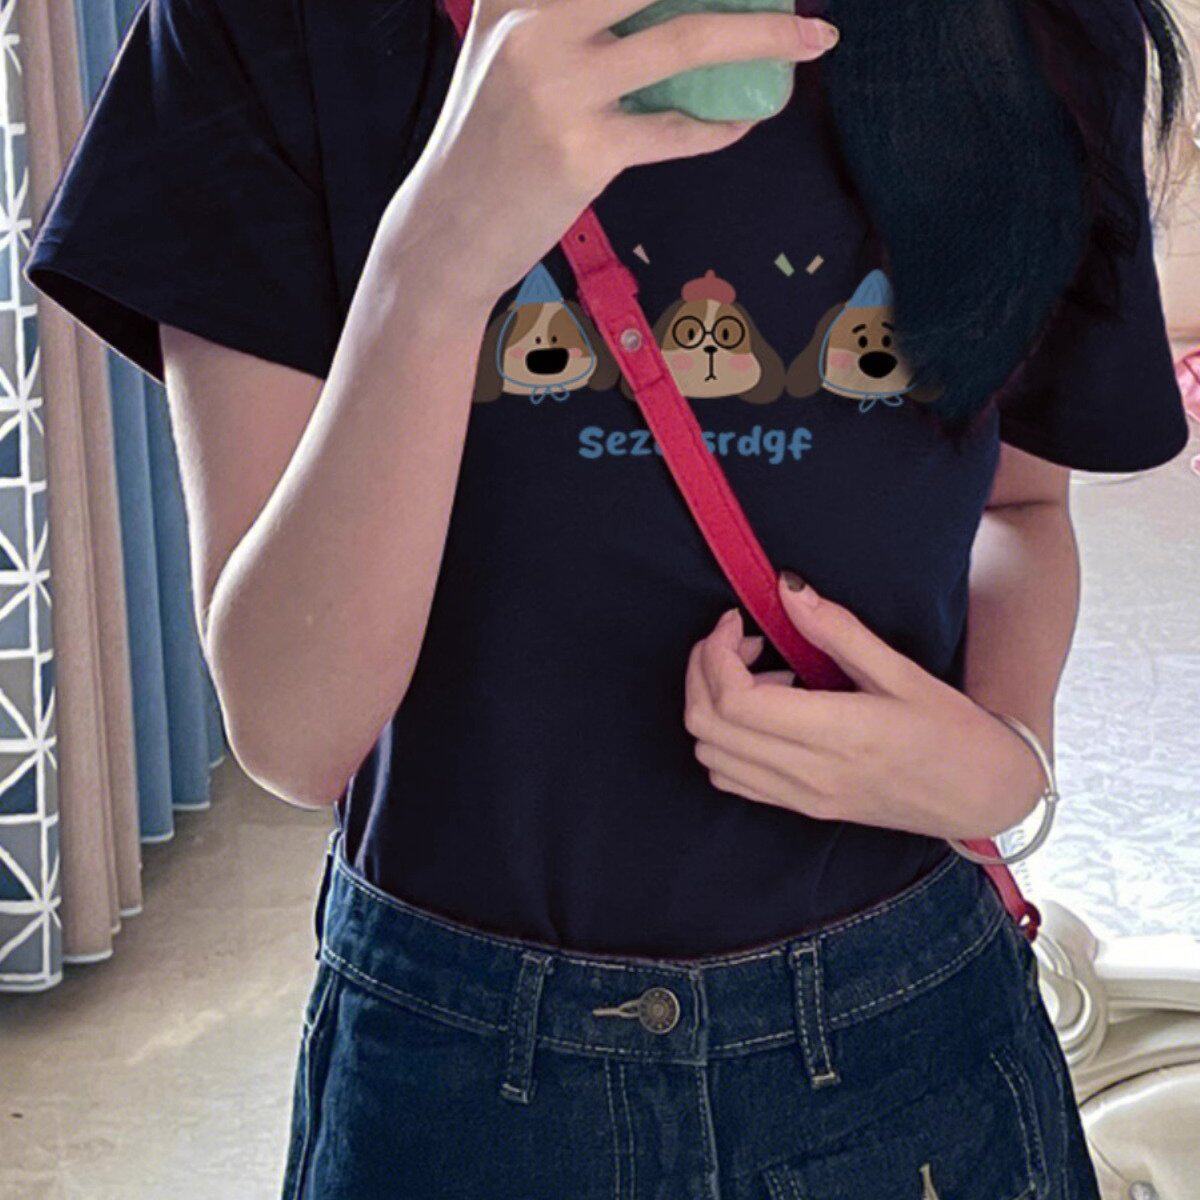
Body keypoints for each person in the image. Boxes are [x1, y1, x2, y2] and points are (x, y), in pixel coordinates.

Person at [25, 0, 1191, 1195]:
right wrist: (436, 261)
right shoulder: (271, 27)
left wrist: (1006, 761)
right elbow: (292, 729)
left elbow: (1021, 506)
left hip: (912, 1029)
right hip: (456, 1064)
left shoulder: (1037, 27)